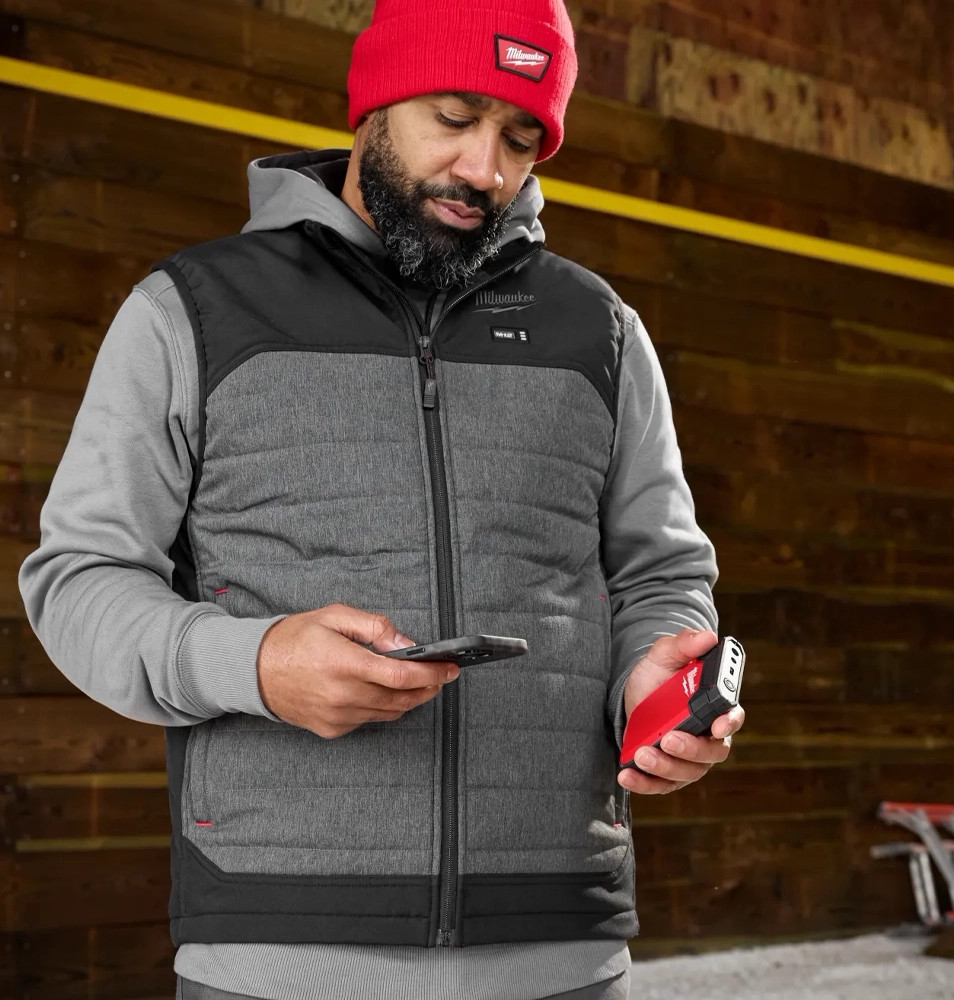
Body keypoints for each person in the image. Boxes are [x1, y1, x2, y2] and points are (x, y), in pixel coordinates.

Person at [17, 0, 744, 997]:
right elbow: (78, 579)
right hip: (276, 953)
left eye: (520, 138)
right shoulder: (193, 311)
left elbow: (661, 573)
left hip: (562, 947)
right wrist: (256, 664)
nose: (484, 169)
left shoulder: (600, 332)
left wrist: (652, 685)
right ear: (375, 105)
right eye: (455, 117)